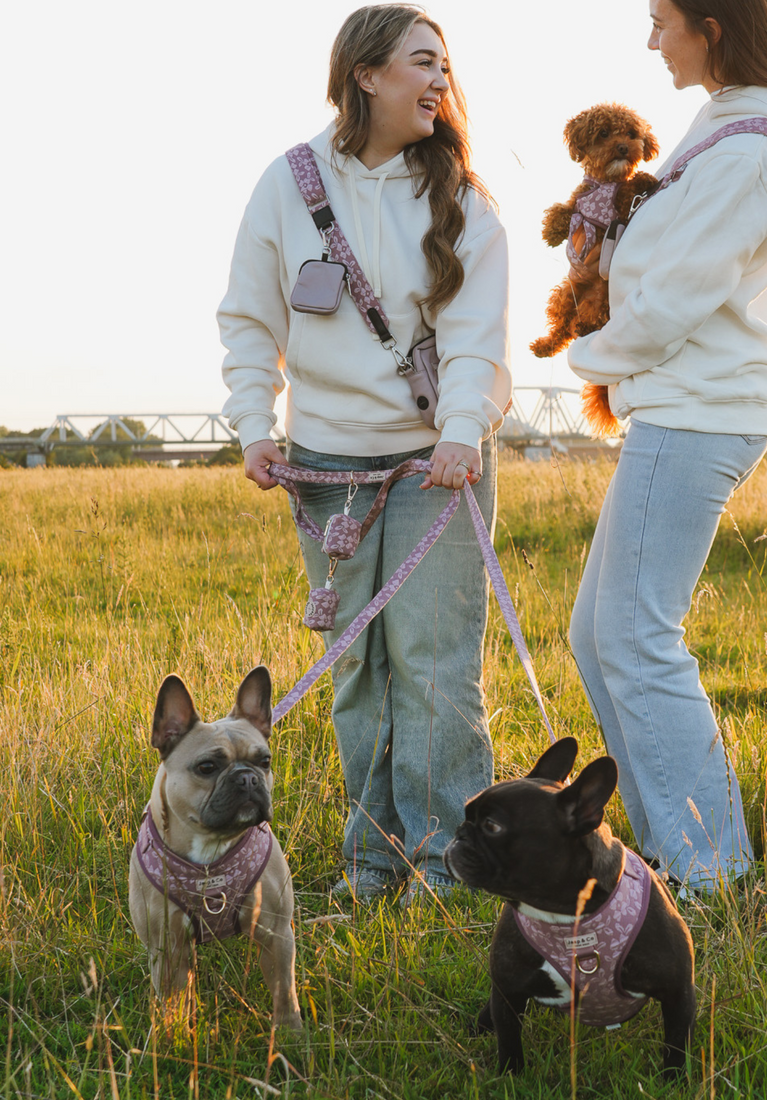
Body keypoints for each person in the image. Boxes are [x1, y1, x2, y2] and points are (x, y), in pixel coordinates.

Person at [218, 4, 511, 903]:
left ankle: (447, 866)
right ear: (367, 74)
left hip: (434, 465)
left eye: (446, 66)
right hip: (323, 472)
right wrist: (252, 424)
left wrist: (461, 432)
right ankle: (372, 863)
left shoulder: (463, 198)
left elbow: (476, 341)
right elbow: (248, 316)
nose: (440, 81)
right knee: (358, 667)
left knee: (433, 664)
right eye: (422, 62)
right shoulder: (288, 183)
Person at [567, 0, 767, 895]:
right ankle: (672, 849)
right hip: (682, 406)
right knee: (596, 632)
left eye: (662, 20)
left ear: (713, 23)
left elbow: (678, 299)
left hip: (697, 411)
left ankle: (714, 871)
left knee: (636, 633)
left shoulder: (747, 150)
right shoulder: (728, 122)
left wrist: (583, 353)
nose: (651, 41)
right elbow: (669, 264)